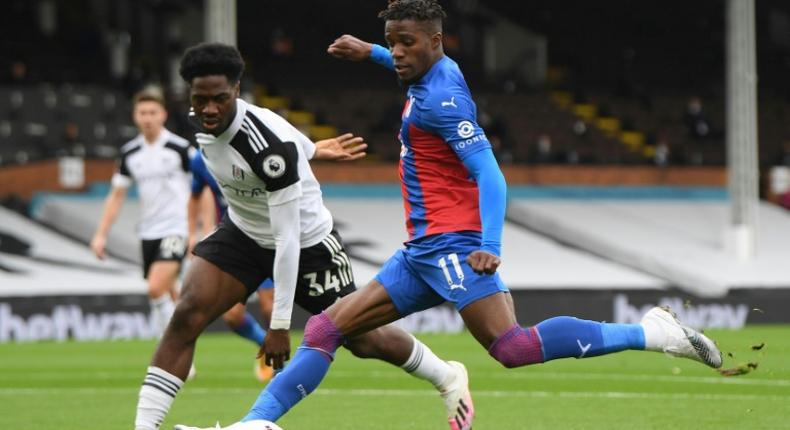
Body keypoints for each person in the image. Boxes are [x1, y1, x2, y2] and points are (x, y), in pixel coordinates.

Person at [185, 2, 723, 429]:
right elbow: (405, 57)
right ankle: (255, 425)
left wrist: (491, 243)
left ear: (436, 42)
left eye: (405, 43)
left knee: (511, 348)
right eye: (392, 42)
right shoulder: (435, 71)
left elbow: (491, 174)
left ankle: (651, 333)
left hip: (455, 246)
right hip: (421, 250)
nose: (396, 52)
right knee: (327, 327)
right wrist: (370, 50)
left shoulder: (442, 100)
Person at [134, 42, 473, 430]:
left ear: (237, 89)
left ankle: (447, 376)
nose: (210, 109)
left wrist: (279, 325)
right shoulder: (197, 119)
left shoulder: (266, 150)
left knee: (362, 338)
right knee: (187, 315)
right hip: (243, 232)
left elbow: (288, 237)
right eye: (201, 99)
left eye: (220, 99)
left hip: (308, 242)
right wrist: (311, 148)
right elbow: (278, 137)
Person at [91, 87, 193, 345]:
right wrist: (101, 234)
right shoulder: (129, 153)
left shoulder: (180, 149)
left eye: (152, 112)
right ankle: (184, 351)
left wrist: (198, 228)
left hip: (176, 227)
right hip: (148, 231)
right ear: (135, 116)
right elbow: (116, 196)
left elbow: (202, 189)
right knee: (170, 293)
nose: (147, 117)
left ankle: (169, 350)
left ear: (164, 115)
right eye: (142, 112)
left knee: (155, 287)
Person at [187, 150, 274, 381]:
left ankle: (279, 361)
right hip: (236, 244)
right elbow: (196, 194)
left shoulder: (256, 150)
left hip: (269, 238)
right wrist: (191, 233)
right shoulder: (201, 159)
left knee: (269, 307)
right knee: (233, 317)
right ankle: (265, 344)